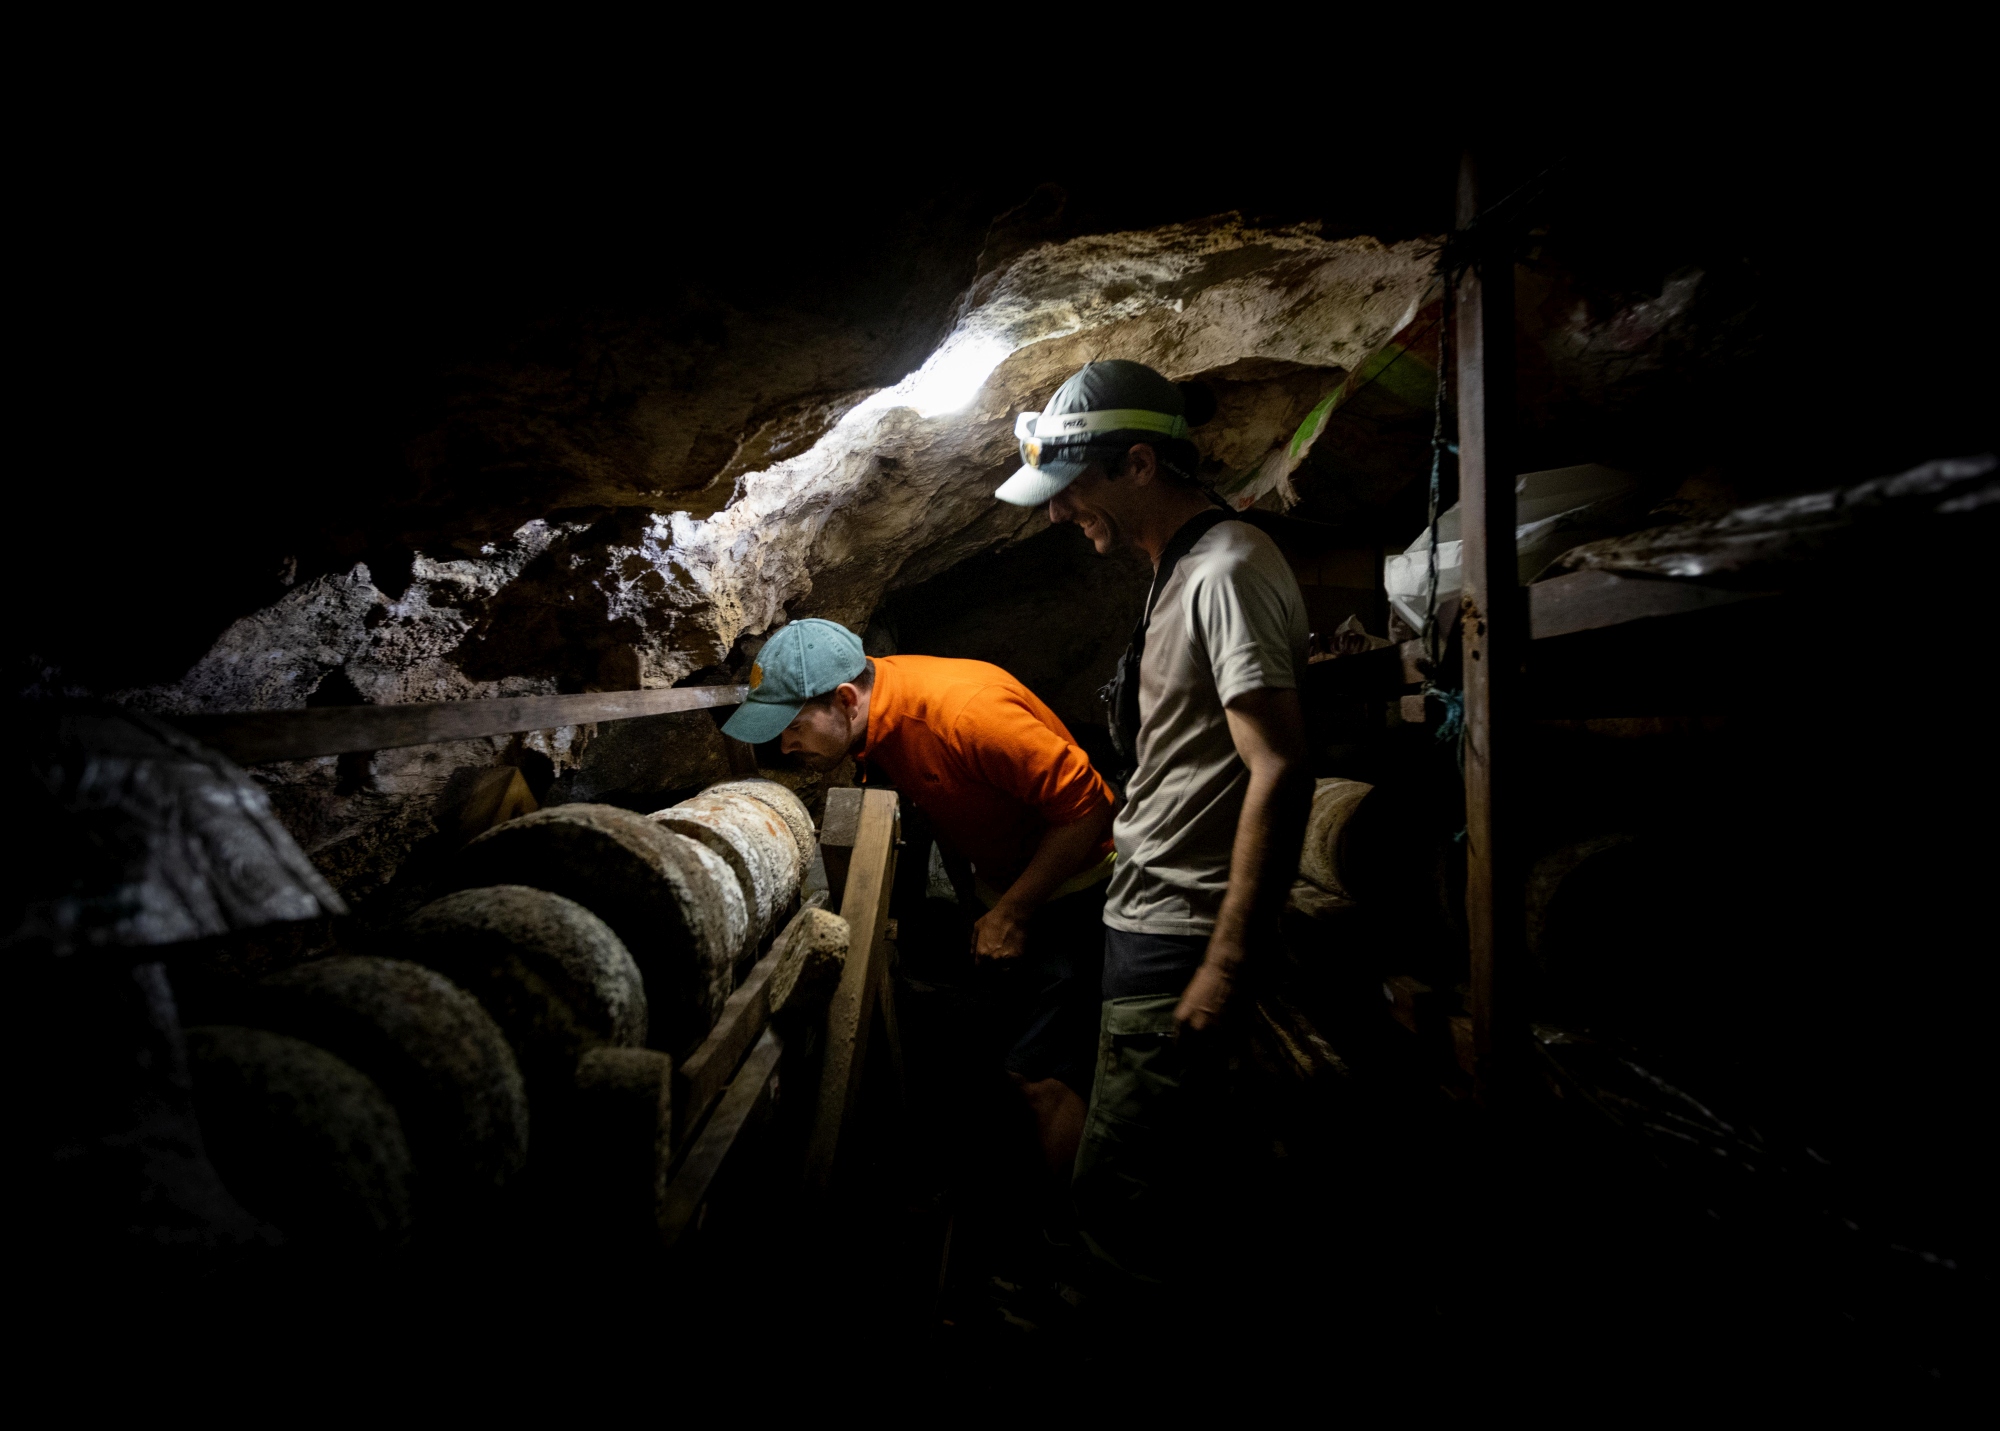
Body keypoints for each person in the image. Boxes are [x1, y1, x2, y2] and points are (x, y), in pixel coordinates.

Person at [994, 359, 1314, 1284]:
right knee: (1148, 1178)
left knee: (1117, 1202)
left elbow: (1281, 766)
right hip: (1146, 922)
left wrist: (1225, 960)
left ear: (1138, 464)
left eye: (1073, 487)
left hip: (1183, 932)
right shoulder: (1176, 573)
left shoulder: (1228, 568)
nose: (1058, 512)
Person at [721, 618, 1115, 1180]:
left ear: (844, 699)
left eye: (793, 726)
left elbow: (1091, 807)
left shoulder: (966, 715)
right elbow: (939, 798)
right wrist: (974, 903)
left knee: (1042, 1077)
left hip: (1074, 891)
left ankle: (1069, 1243)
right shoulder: (881, 712)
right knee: (1006, 1055)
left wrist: (1013, 912)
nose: (785, 744)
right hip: (1003, 886)